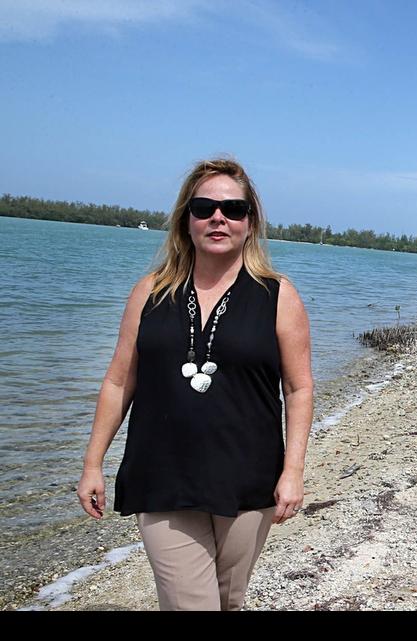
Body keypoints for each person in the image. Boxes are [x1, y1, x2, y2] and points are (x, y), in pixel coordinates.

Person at [77, 157, 313, 611]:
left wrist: (293, 471)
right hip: (162, 474)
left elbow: (299, 389)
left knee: (227, 602)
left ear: (251, 221)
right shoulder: (150, 292)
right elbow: (118, 380)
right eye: (204, 207)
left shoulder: (278, 296)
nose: (218, 217)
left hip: (249, 479)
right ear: (186, 219)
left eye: (233, 208)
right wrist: (93, 463)